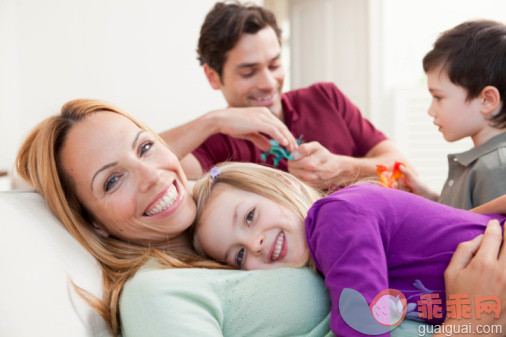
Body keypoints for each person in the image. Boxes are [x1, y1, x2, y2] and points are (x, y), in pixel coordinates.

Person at [14, 99, 335, 337]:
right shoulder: (154, 292)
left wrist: (216, 120)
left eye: (145, 147)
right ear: (94, 223)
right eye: (112, 181)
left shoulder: (218, 211)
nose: (152, 175)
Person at [190, 162, 506, 335]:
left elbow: (363, 326)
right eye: (239, 255)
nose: (254, 243)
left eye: (249, 217)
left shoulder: (334, 217)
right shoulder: (330, 258)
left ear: (285, 184)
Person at [160, 1, 407, 189]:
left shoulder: (325, 97)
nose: (268, 83)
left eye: (275, 65)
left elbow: (401, 167)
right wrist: (213, 121)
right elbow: (144, 165)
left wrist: (342, 168)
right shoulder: (213, 142)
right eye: (248, 72)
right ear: (213, 77)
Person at [398, 20, 506, 209]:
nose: (430, 110)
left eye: (438, 97)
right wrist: (430, 198)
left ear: (487, 100)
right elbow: (466, 220)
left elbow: (488, 235)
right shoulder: (484, 163)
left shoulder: (497, 168)